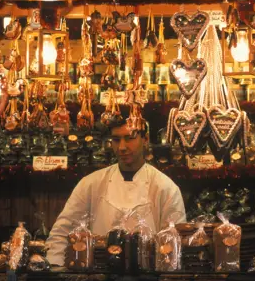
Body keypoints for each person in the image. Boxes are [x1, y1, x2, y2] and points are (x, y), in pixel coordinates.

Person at [46, 110, 186, 265]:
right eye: (116, 140)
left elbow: (175, 243)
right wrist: (55, 269)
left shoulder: (165, 188)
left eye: (129, 138)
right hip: (97, 278)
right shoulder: (91, 184)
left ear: (145, 139)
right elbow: (61, 234)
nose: (122, 147)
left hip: (149, 280)